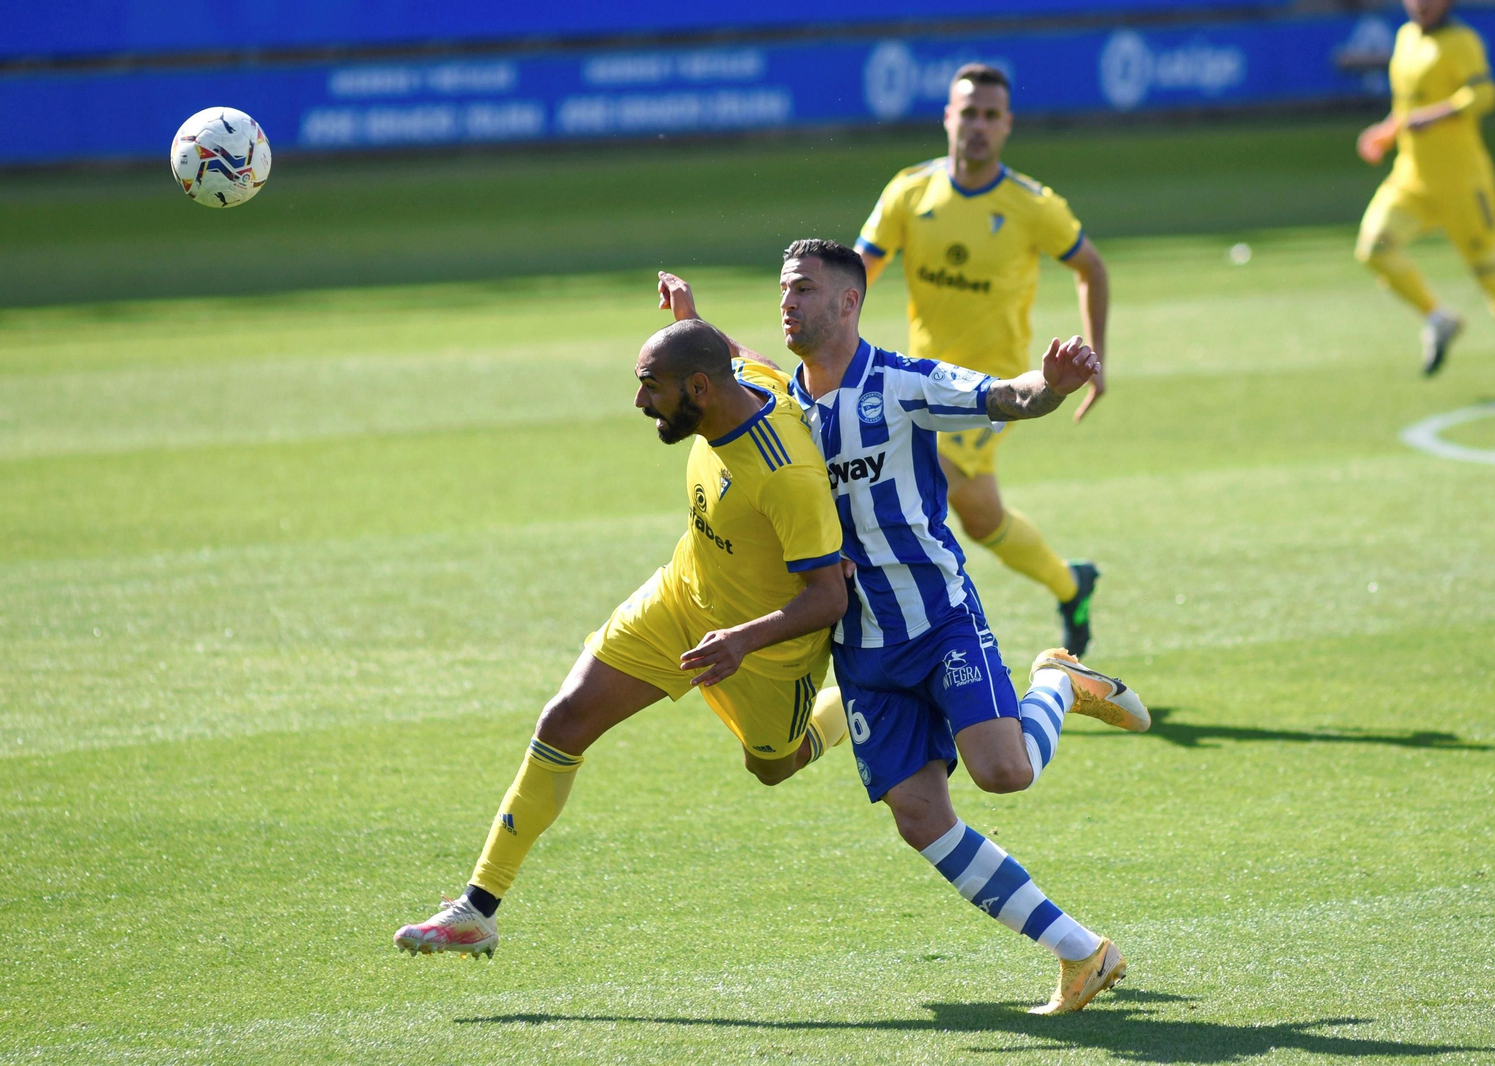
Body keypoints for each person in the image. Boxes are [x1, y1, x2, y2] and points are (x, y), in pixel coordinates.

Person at [661, 241, 1147, 1014]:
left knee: (1005, 773)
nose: (788, 302)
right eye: (784, 290)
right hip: (861, 648)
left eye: (806, 291)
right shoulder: (782, 404)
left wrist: (1049, 387)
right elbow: (734, 358)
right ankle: (1081, 952)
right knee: (921, 820)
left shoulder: (902, 383)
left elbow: (1003, 396)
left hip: (939, 618)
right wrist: (695, 324)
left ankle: (1058, 681)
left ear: (849, 303)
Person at [393, 318, 851, 959]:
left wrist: (741, 641)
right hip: (679, 600)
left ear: (698, 387)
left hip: (765, 654)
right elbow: (741, 355)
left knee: (775, 765)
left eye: (650, 387)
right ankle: (477, 908)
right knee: (564, 719)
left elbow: (829, 598)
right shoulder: (739, 379)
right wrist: (691, 317)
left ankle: (858, 714)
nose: (639, 403)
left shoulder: (784, 474)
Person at [855, 63, 1110, 656]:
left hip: (992, 391)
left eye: (991, 115)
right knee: (979, 516)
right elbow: (858, 274)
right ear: (948, 117)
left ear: (1007, 127)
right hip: (921, 383)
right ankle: (1072, 585)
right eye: (968, 112)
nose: (978, 125)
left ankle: (914, 644)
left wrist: (1099, 359)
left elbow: (1090, 266)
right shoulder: (909, 191)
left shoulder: (1031, 205)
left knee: (912, 488)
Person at [1356, 0, 1495, 374]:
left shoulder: (1461, 41)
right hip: (1412, 178)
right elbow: (1406, 107)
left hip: (1462, 182)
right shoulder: (1404, 38)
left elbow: (1483, 95)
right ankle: (1438, 319)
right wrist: (1386, 133)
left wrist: (1435, 116)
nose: (1421, 5)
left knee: (1490, 277)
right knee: (1374, 247)